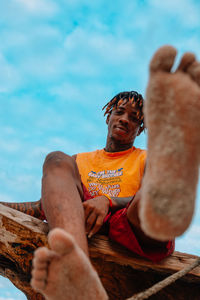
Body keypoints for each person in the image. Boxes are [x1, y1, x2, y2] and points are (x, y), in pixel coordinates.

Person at [3, 45, 200, 300]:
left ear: (140, 130)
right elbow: (46, 205)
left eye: (134, 118)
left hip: (134, 225)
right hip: (81, 224)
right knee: (56, 159)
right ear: (108, 116)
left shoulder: (145, 158)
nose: (124, 119)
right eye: (119, 112)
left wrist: (107, 201)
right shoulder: (79, 162)